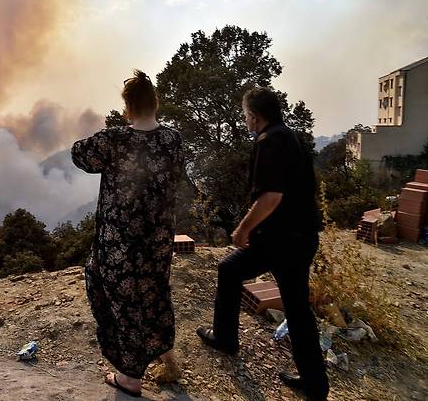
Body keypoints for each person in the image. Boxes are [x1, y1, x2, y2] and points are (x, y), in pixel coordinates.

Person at [196, 87, 329, 400]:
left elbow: (271, 196)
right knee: (297, 308)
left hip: (278, 241)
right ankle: (315, 382)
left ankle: (225, 339)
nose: (245, 120)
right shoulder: (294, 137)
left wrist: (243, 230)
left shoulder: (268, 141)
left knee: (228, 269)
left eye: (246, 115)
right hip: (303, 237)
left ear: (254, 116)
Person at [71, 70, 185, 398]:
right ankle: (166, 356)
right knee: (154, 293)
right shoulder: (172, 139)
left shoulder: (116, 140)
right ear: (155, 103)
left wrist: (105, 132)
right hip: (158, 240)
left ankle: (130, 377)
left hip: (118, 243)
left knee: (118, 299)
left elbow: (80, 154)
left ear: (128, 107)